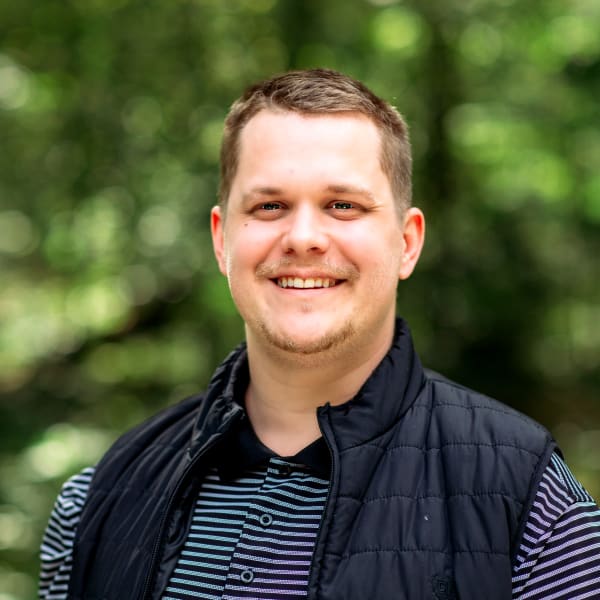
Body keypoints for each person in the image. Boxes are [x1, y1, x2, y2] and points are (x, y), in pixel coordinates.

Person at [39, 69, 600, 600]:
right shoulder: (98, 497)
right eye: (270, 206)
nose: (303, 236)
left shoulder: (529, 500)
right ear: (221, 240)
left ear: (407, 242)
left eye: (342, 205)